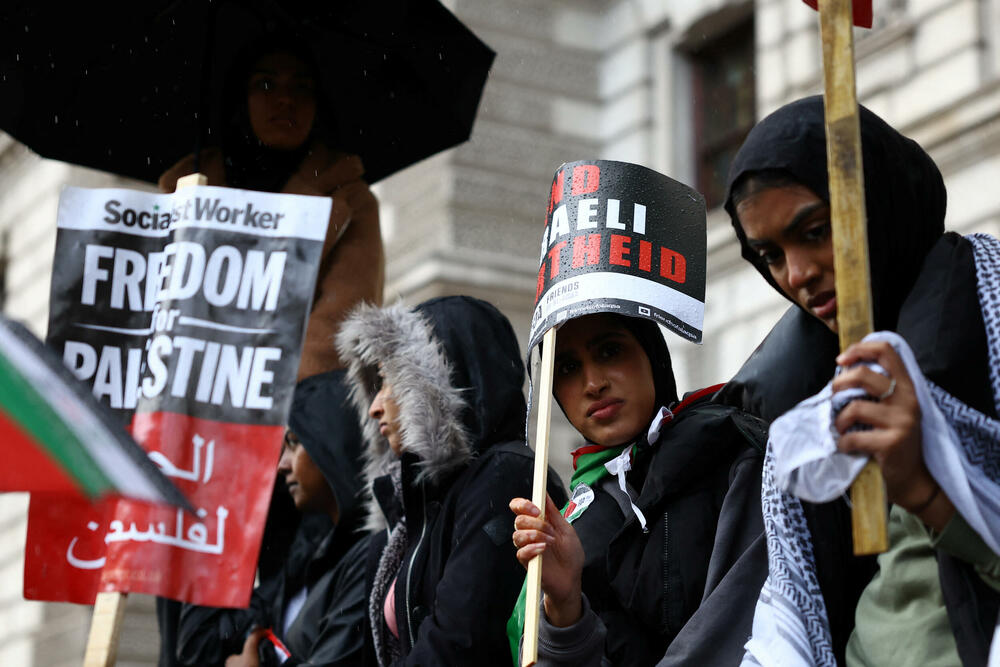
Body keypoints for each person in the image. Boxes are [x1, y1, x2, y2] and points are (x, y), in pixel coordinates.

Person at [725, 95, 1000, 666]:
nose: (797, 274)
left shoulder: (990, 303)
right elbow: (792, 606)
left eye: (816, 230)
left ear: (880, 201)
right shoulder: (803, 396)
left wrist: (928, 490)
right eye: (770, 254)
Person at [508, 312, 770, 665]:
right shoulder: (575, 524)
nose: (593, 383)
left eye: (610, 351)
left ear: (653, 355)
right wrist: (565, 607)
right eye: (567, 369)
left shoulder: (730, 453)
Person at [333, 295, 567, 667]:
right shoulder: (408, 510)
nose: (375, 405)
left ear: (440, 383)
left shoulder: (506, 478)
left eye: (387, 379)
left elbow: (456, 647)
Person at [158, 40, 384, 376]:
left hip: (284, 408)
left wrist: (284, 407)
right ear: (239, 99)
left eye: (302, 87)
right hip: (183, 390)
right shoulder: (187, 189)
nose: (285, 99)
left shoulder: (350, 199)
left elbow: (339, 325)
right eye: (265, 84)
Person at [169, 370, 368, 667]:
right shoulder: (309, 558)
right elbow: (202, 647)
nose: (281, 465)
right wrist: (222, 502)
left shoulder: (368, 558)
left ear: (333, 443)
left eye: (294, 443)